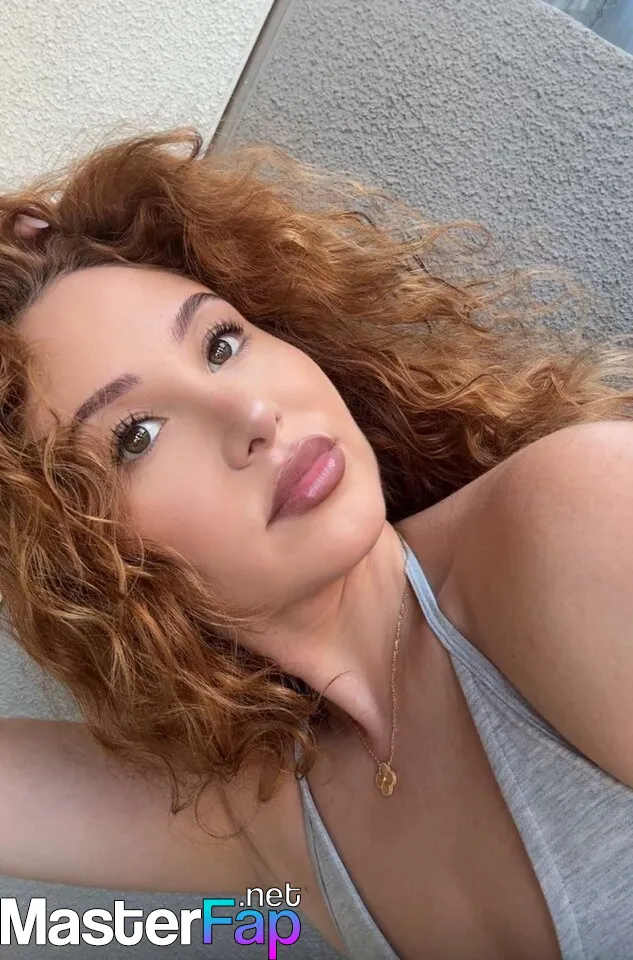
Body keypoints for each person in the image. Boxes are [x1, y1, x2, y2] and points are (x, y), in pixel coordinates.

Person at [1, 127, 633, 960]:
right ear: (79, 558)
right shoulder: (254, 815)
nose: (251, 414)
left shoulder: (568, 513)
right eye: (138, 434)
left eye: (220, 343)